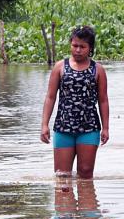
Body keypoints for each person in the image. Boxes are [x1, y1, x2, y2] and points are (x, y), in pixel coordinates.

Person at [41, 25, 110, 178]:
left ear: (90, 48)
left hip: (89, 127)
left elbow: (103, 100)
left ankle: (87, 199)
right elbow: (50, 97)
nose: (78, 50)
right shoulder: (60, 67)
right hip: (63, 127)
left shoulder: (98, 70)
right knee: (62, 175)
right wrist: (44, 124)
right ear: (70, 44)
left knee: (85, 174)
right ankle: (65, 202)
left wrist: (105, 128)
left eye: (82, 47)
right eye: (75, 45)